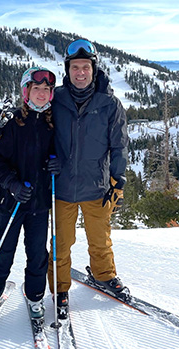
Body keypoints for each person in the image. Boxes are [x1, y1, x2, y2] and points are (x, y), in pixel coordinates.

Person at [48, 39, 129, 319]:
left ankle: (104, 275)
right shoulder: (54, 99)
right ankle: (60, 289)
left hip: (97, 186)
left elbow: (119, 146)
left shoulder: (109, 104)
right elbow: (31, 124)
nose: (80, 73)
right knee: (61, 242)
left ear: (94, 70)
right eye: (75, 67)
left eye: (85, 67)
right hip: (62, 187)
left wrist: (118, 181)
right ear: (67, 70)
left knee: (100, 239)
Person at [0, 66, 60, 322]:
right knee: (2, 253)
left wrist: (58, 165)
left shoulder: (52, 124)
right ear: (26, 92)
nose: (42, 93)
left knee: (37, 255)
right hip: (8, 203)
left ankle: (35, 297)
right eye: (37, 88)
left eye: (47, 89)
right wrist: (13, 185)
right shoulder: (11, 124)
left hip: (38, 203)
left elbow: (60, 156)